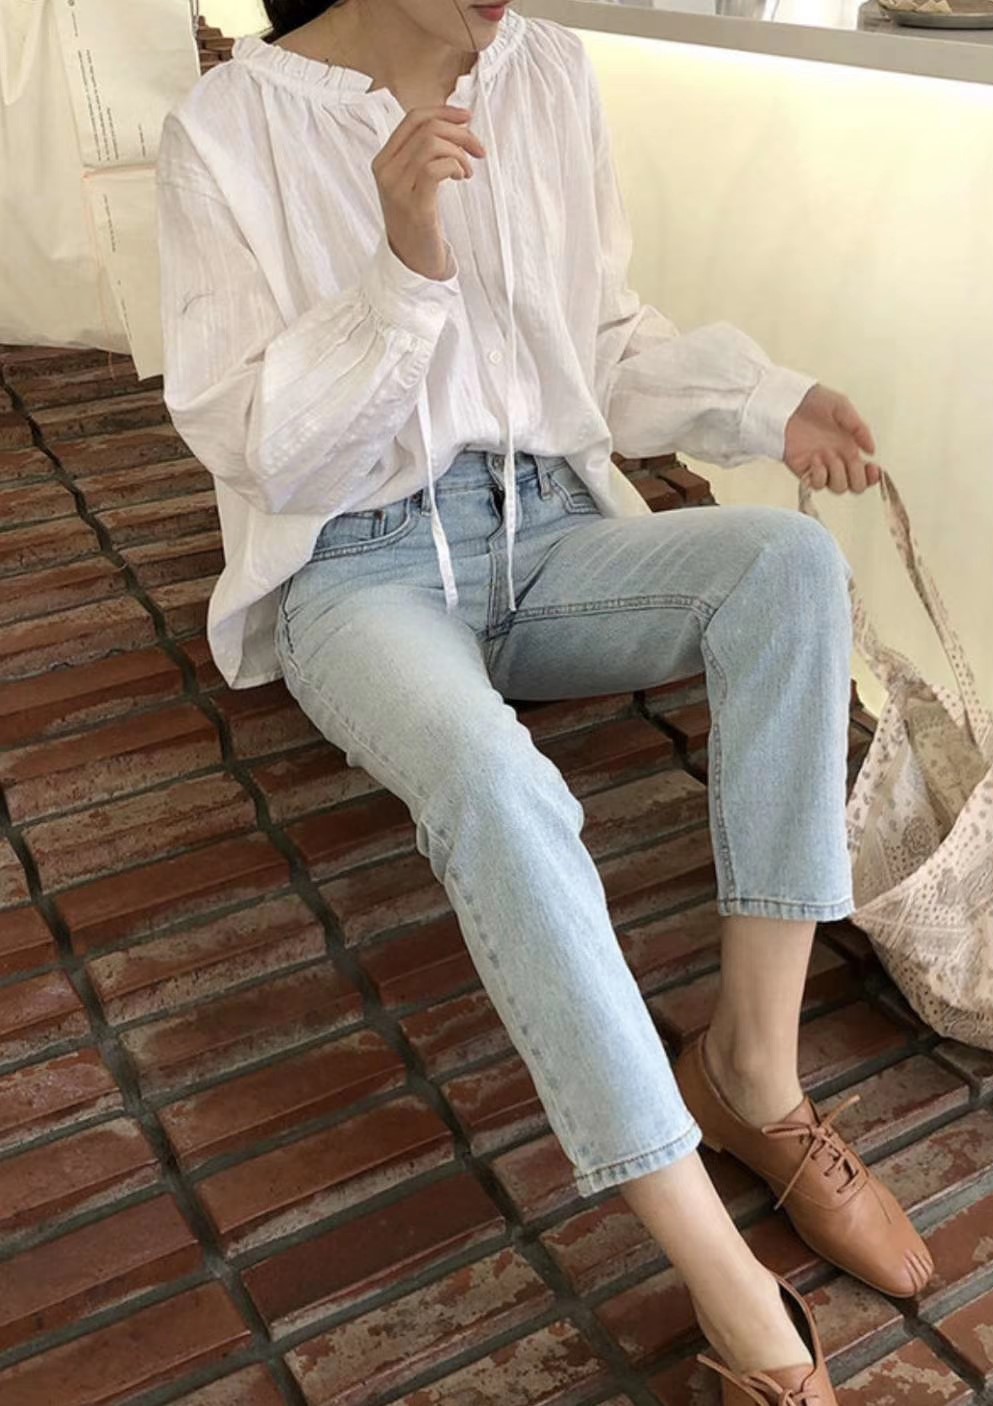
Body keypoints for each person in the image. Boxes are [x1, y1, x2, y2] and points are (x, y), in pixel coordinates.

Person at [157, 1, 933, 1398]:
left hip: (552, 530)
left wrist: (767, 404)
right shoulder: (230, 128)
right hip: (357, 568)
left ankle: (754, 1077)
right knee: (496, 780)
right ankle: (721, 1273)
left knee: (789, 569)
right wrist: (402, 269)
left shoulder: (551, 73)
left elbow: (599, 343)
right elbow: (259, 446)